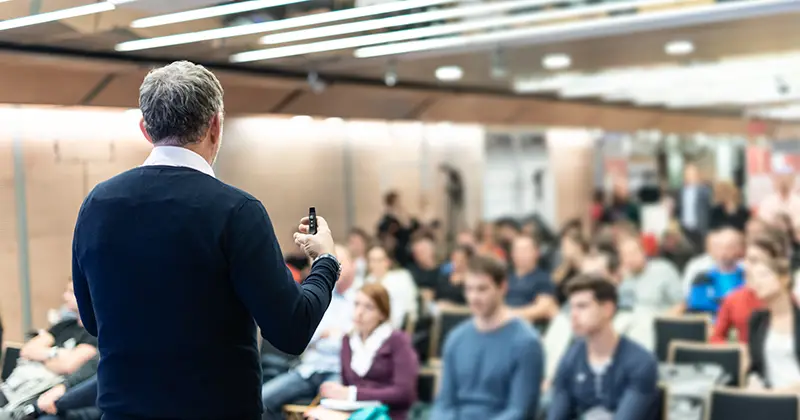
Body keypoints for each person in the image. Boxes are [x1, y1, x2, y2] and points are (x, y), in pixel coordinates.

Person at [70, 61, 340, 420]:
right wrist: (326, 264)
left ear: (145, 129)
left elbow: (91, 320)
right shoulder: (237, 211)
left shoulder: (95, 206)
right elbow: (291, 331)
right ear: (215, 125)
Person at [431, 255, 543, 420]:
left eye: (482, 289)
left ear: (502, 287)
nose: (474, 297)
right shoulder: (456, 338)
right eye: (469, 289)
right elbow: (444, 404)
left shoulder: (527, 343)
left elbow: (520, 411)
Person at [259, 245, 357, 420]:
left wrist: (332, 336)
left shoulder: (360, 299)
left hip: (338, 370)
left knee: (330, 413)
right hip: (309, 369)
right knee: (261, 400)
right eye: (336, 263)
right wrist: (330, 334)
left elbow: (353, 340)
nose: (338, 268)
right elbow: (305, 334)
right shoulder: (321, 294)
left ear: (353, 265)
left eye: (342, 262)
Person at [547, 275, 659, 420]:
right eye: (571, 307)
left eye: (582, 306)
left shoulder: (641, 362)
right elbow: (557, 415)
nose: (573, 315)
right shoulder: (570, 358)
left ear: (607, 309)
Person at [310, 283, 419, 420]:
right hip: (354, 412)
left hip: (387, 414)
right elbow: (347, 385)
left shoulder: (397, 341)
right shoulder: (348, 340)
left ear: (382, 314)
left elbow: (404, 393)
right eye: (356, 304)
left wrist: (351, 394)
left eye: (369, 307)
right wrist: (338, 392)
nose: (359, 312)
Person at [711, 236, 779, 343]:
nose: (748, 265)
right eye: (747, 259)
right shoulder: (733, 298)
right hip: (744, 355)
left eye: (755, 261)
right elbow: (716, 337)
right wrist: (735, 351)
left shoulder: (787, 299)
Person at [747, 258, 800, 392]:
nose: (757, 282)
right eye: (753, 278)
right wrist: (753, 382)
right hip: (770, 401)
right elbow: (756, 368)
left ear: (785, 279)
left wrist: (776, 394)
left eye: (763, 275)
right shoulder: (757, 320)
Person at [617, 234, 683, 314]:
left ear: (643, 252)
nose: (630, 258)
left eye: (633, 253)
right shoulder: (624, 281)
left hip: (662, 321)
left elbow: (681, 303)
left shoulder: (663, 270)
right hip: (632, 323)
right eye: (625, 255)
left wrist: (664, 320)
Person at [686, 228, 745, 315]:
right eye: (718, 247)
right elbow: (695, 311)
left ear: (740, 249)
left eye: (729, 247)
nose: (723, 252)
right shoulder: (702, 279)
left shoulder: (747, 276)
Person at [506, 235, 559, 324]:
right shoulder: (505, 277)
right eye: (518, 250)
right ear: (512, 254)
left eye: (525, 250)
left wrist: (510, 314)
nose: (521, 254)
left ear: (536, 252)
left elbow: (544, 307)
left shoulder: (543, 278)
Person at [365, 245, 419, 329]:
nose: (375, 264)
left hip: (395, 327)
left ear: (387, 262)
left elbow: (409, 310)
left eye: (379, 260)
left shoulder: (401, 278)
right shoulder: (367, 282)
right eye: (372, 261)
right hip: (369, 327)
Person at [674, 163, 712, 251]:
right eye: (687, 173)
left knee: (701, 249)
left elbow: (709, 208)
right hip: (685, 226)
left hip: (700, 226)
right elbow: (679, 208)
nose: (690, 176)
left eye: (692, 173)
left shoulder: (705, 190)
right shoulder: (681, 191)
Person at [552, 231, 589, 305]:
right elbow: (553, 285)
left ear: (578, 246)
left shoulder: (589, 266)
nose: (563, 250)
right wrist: (565, 265)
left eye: (566, 246)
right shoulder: (566, 268)